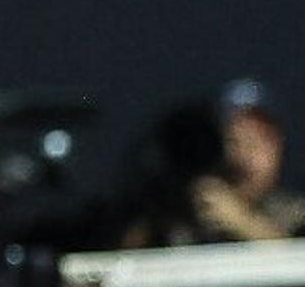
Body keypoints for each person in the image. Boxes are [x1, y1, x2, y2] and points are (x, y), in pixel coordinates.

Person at [128, 80, 305, 244]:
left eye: (258, 141)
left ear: (278, 147)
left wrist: (243, 222)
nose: (246, 154)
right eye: (234, 141)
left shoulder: (295, 215)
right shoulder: (186, 213)